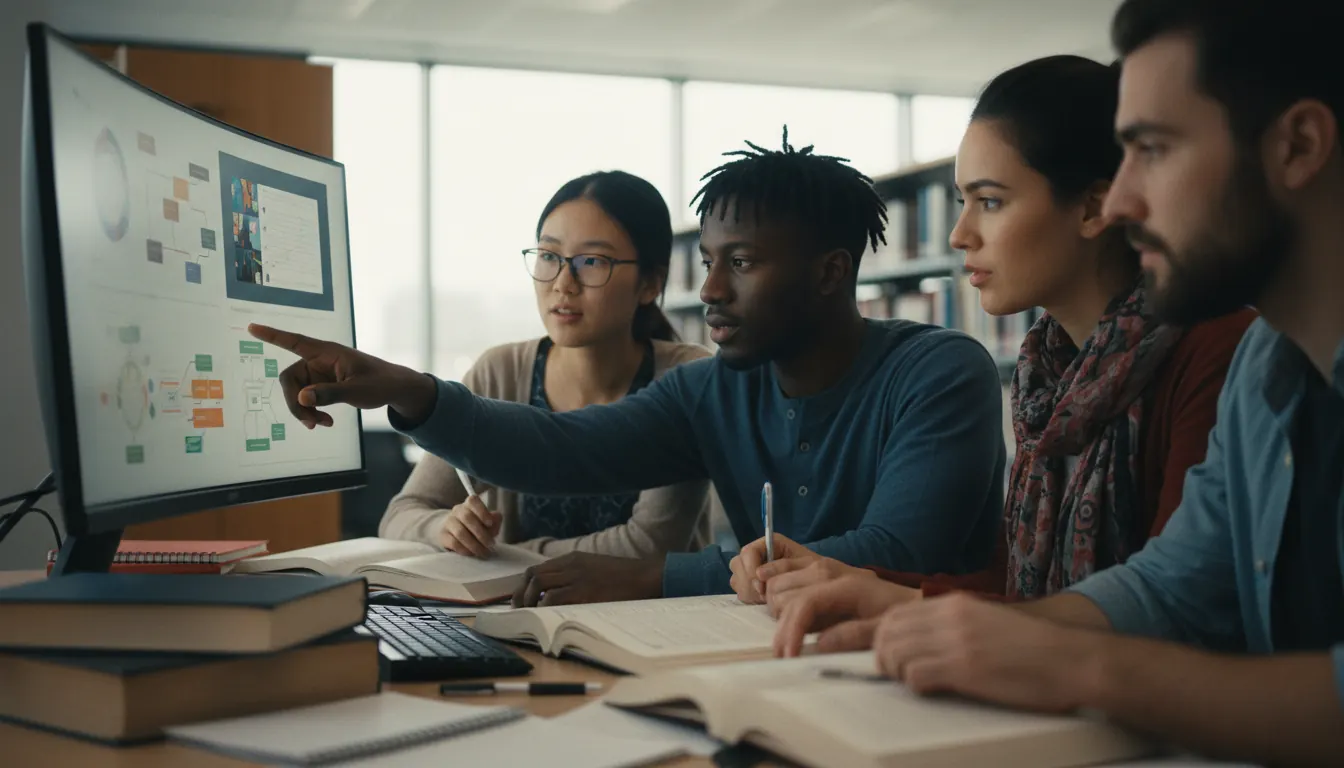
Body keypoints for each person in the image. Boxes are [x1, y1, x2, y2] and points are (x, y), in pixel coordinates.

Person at [789, 1, 1344, 764]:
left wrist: (1076, 664)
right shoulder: (1267, 369)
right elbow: (1168, 589)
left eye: (1155, 149)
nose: (1118, 202)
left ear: (1299, 146)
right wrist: (926, 616)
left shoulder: (1223, 353)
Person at [249, 129, 1007, 607]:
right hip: (772, 655)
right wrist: (409, 391)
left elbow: (900, 553)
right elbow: (561, 448)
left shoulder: (940, 372)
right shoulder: (713, 388)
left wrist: (662, 577)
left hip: (928, 670)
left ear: (828, 273)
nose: (709, 290)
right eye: (707, 262)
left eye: (740, 263)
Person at [737, 56, 1255, 630]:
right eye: (962, 202)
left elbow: (1172, 616)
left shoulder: (1216, 355)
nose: (960, 235)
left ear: (1092, 207)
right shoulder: (1049, 376)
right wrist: (848, 578)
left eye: (990, 201)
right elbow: (1011, 589)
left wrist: (897, 601)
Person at [379, 171, 715, 560]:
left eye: (592, 261)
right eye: (549, 256)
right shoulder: (500, 373)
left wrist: (505, 555)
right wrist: (444, 528)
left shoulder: (685, 377)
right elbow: (400, 517)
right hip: (522, 613)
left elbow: (648, 549)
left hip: (649, 616)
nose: (563, 283)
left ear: (650, 284)